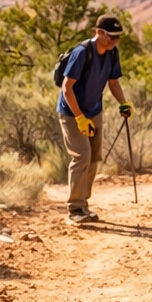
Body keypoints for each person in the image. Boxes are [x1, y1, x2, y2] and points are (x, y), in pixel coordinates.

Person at [56, 14, 130, 224]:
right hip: (72, 112)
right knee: (81, 156)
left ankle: (83, 205)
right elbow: (67, 87)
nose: (115, 41)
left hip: (94, 111)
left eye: (118, 37)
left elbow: (113, 83)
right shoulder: (82, 53)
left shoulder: (112, 52)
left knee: (94, 159)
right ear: (99, 33)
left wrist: (123, 103)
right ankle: (75, 209)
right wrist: (79, 117)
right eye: (112, 37)